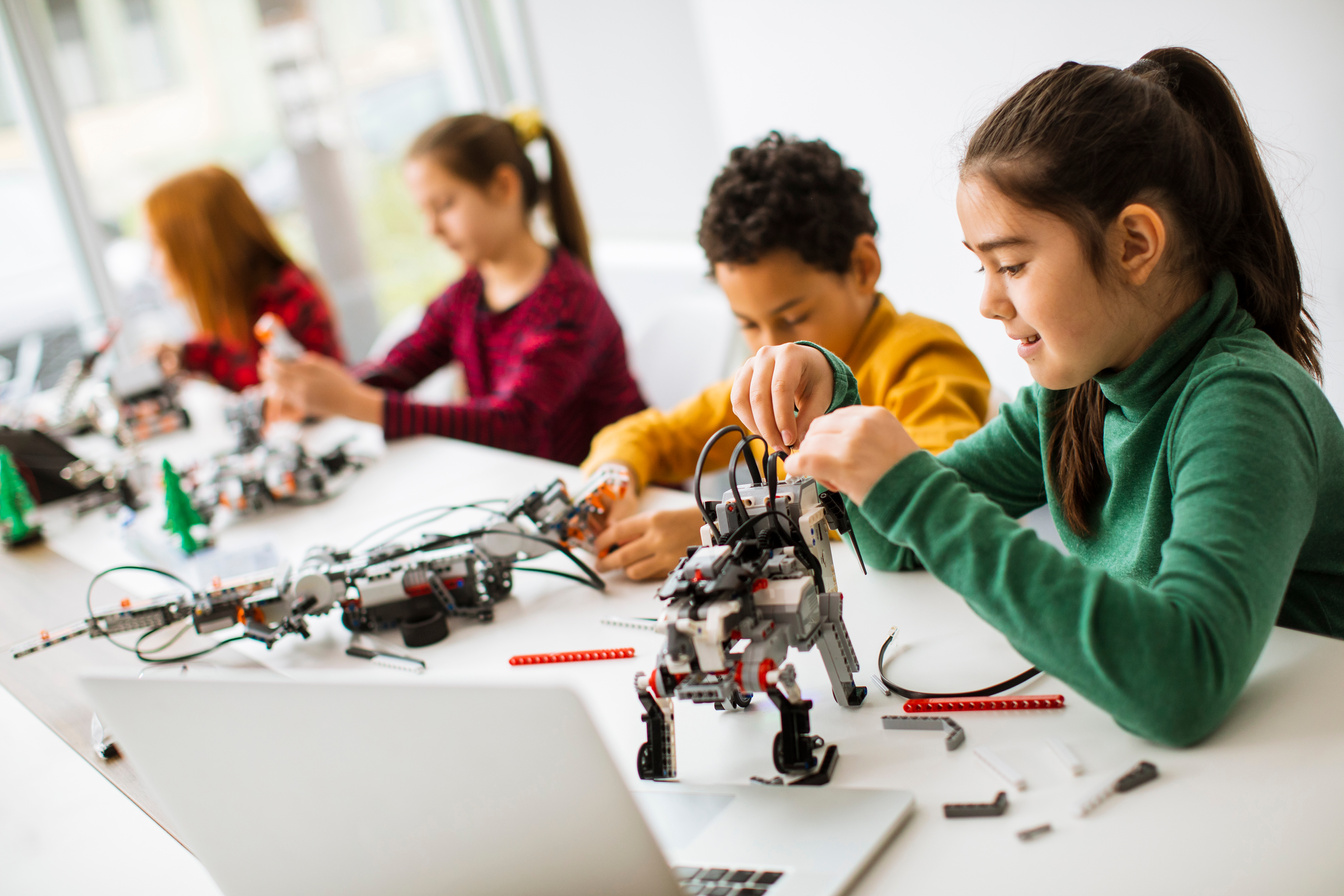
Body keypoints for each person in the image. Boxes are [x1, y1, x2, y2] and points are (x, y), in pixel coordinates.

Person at [729, 48, 1344, 747]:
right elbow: (901, 543)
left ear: (1135, 244)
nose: (989, 301)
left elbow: (1184, 686)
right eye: (981, 265)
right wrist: (835, 410)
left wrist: (915, 492)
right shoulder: (1077, 395)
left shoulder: (1245, 404)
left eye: (1013, 264)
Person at [585, 133, 991, 580]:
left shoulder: (922, 358)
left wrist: (733, 530)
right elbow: (651, 434)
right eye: (748, 323)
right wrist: (613, 478)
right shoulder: (774, 375)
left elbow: (928, 496)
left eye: (793, 317)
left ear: (861, 268)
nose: (768, 344)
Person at [263, 111, 645, 465]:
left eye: (444, 205)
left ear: (503, 187)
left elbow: (512, 425)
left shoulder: (569, 301)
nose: (431, 229)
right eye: (423, 212)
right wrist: (316, 392)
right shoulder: (467, 294)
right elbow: (399, 368)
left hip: (623, 504)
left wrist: (353, 401)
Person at [144, 165, 343, 392]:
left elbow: (269, 386)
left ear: (197, 247)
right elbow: (233, 361)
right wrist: (182, 355)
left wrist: (188, 357)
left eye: (157, 246)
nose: (154, 264)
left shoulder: (287, 296)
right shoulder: (236, 306)